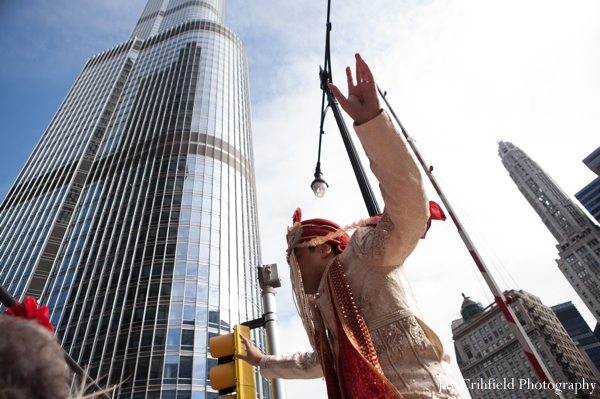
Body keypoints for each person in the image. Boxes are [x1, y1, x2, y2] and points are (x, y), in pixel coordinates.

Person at [237, 54, 464, 398]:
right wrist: (261, 362)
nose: (293, 270)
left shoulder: (367, 250)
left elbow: (409, 210)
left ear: (324, 247)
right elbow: (317, 361)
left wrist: (372, 123)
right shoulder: (326, 305)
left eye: (295, 256)